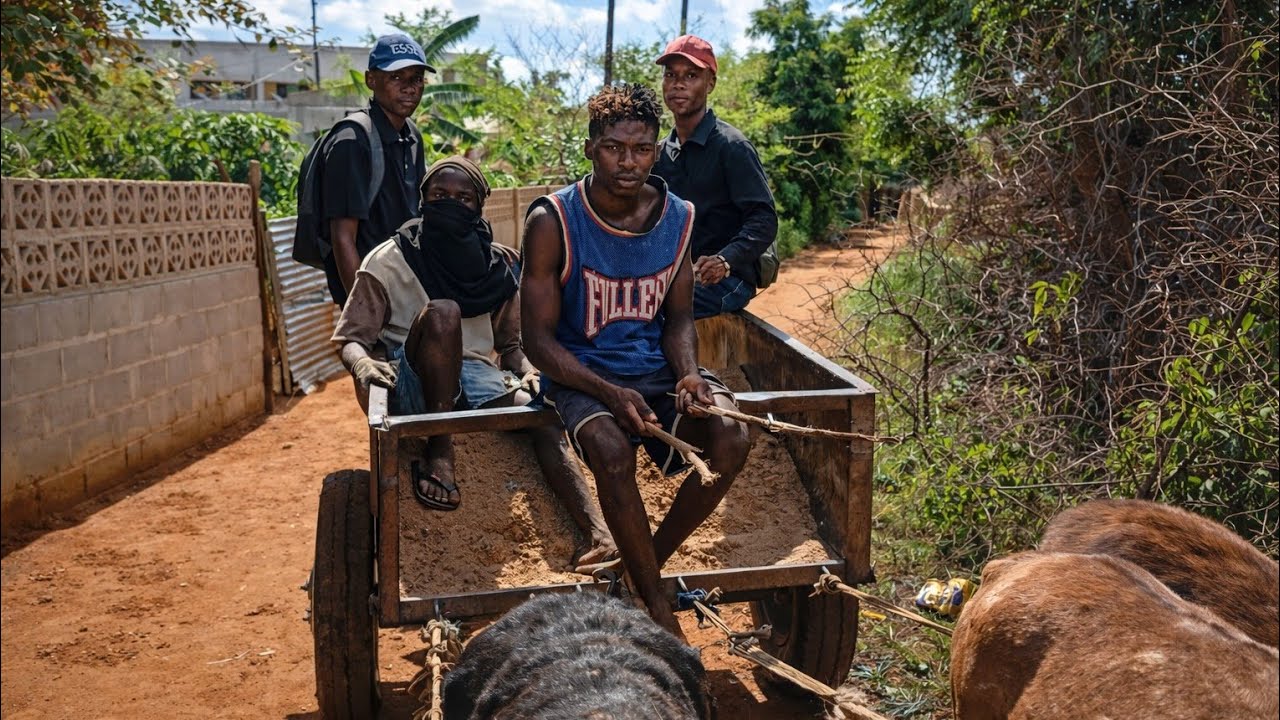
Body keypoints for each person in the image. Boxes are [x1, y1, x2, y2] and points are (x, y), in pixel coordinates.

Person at [521, 84, 751, 638]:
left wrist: (689, 372)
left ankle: (637, 569)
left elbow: (675, 320)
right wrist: (606, 391)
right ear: (589, 149)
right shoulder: (553, 221)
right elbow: (537, 341)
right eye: (614, 148)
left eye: (642, 149)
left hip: (653, 367)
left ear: (656, 151)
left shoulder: (678, 219)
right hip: (579, 370)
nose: (628, 162)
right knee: (608, 447)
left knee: (731, 438)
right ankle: (656, 605)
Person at [331, 156, 616, 572]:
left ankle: (598, 535)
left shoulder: (497, 265)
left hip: (480, 379)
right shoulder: (388, 259)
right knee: (444, 313)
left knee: (545, 416)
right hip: (413, 378)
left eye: (463, 198)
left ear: (479, 206)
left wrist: (529, 372)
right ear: (423, 200)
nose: (450, 203)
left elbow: (511, 344)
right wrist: (361, 366)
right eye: (439, 195)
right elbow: (352, 338)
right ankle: (440, 451)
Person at [652, 35, 779, 318]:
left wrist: (725, 260)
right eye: (670, 75)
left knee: (658, 310)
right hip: (677, 275)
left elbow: (764, 219)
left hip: (728, 280)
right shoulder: (661, 153)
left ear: (710, 83)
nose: (678, 83)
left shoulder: (731, 147)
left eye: (691, 75)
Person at [322, 33, 431, 308]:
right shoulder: (353, 140)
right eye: (397, 77)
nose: (409, 88)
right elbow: (343, 236)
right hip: (372, 293)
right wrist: (364, 313)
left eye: (416, 78)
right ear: (371, 80)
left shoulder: (412, 137)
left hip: (407, 290)